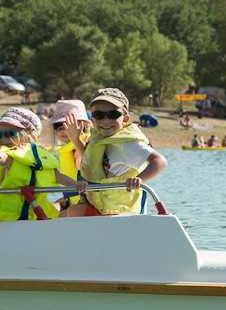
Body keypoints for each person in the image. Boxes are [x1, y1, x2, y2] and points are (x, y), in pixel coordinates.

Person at [64, 88, 168, 217]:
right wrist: (75, 138)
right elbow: (89, 159)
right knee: (72, 210)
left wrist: (139, 179)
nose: (105, 120)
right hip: (101, 207)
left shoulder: (128, 144)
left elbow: (160, 161)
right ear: (92, 119)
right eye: (99, 115)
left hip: (120, 212)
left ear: (125, 119)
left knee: (74, 211)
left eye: (113, 114)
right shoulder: (97, 138)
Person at [0, 107, 69, 223]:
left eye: (10, 134)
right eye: (0, 135)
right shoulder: (9, 156)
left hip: (33, 214)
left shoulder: (39, 158)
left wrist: (77, 184)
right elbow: (3, 159)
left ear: (31, 136)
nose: (3, 139)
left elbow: (56, 175)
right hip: (5, 217)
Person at [48, 99, 92, 212]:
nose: (64, 130)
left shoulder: (86, 145)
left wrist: (75, 138)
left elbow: (90, 163)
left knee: (53, 218)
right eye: (59, 126)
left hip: (89, 202)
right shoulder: (67, 149)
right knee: (51, 208)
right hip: (73, 200)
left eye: (69, 125)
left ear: (83, 125)